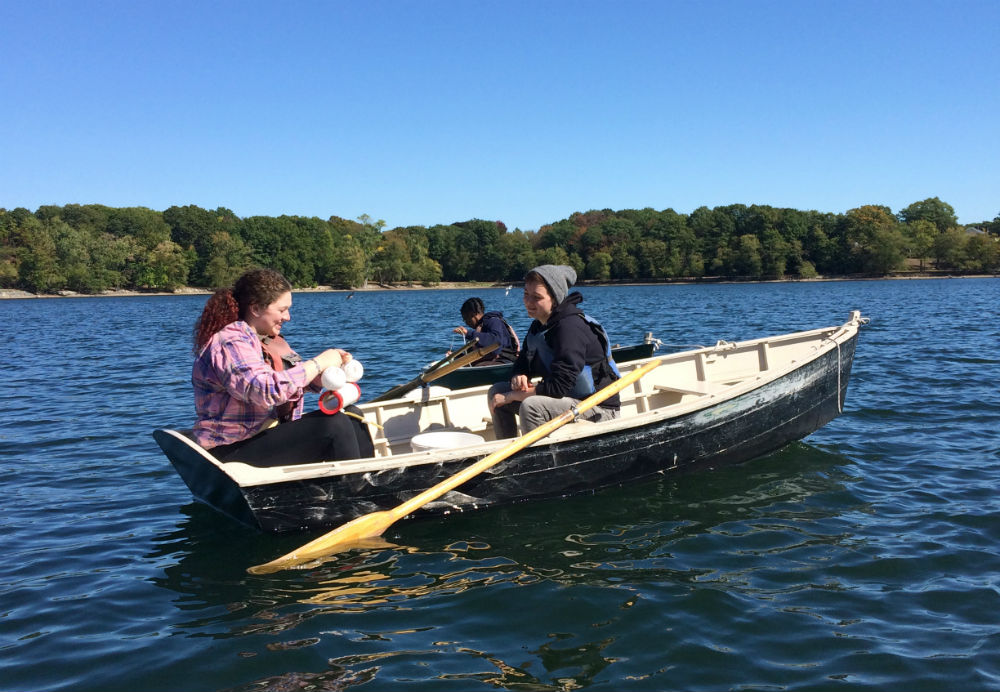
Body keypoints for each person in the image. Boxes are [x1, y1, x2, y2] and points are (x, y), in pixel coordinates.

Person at [191, 268, 373, 466]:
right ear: (256, 308)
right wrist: (318, 362)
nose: (288, 317)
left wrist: (322, 374)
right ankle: (355, 491)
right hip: (228, 450)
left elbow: (288, 382)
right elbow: (266, 391)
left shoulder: (262, 340)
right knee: (335, 425)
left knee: (354, 416)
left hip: (260, 436)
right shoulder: (230, 343)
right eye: (282, 310)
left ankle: (369, 481)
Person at [487, 265, 620, 438]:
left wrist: (512, 395)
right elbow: (523, 363)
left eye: (537, 297)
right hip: (565, 400)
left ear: (555, 299)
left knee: (532, 407)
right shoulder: (539, 325)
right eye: (526, 294)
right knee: (497, 391)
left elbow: (558, 387)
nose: (528, 302)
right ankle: (508, 456)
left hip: (596, 408)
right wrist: (519, 375)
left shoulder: (569, 329)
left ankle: (537, 461)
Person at [451, 296, 520, 365]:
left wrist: (468, 333)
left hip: (504, 360)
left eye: (466, 318)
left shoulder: (493, 321)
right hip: (492, 360)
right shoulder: (480, 328)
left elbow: (495, 342)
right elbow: (473, 353)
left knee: (478, 366)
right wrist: (454, 356)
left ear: (474, 314)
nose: (466, 322)